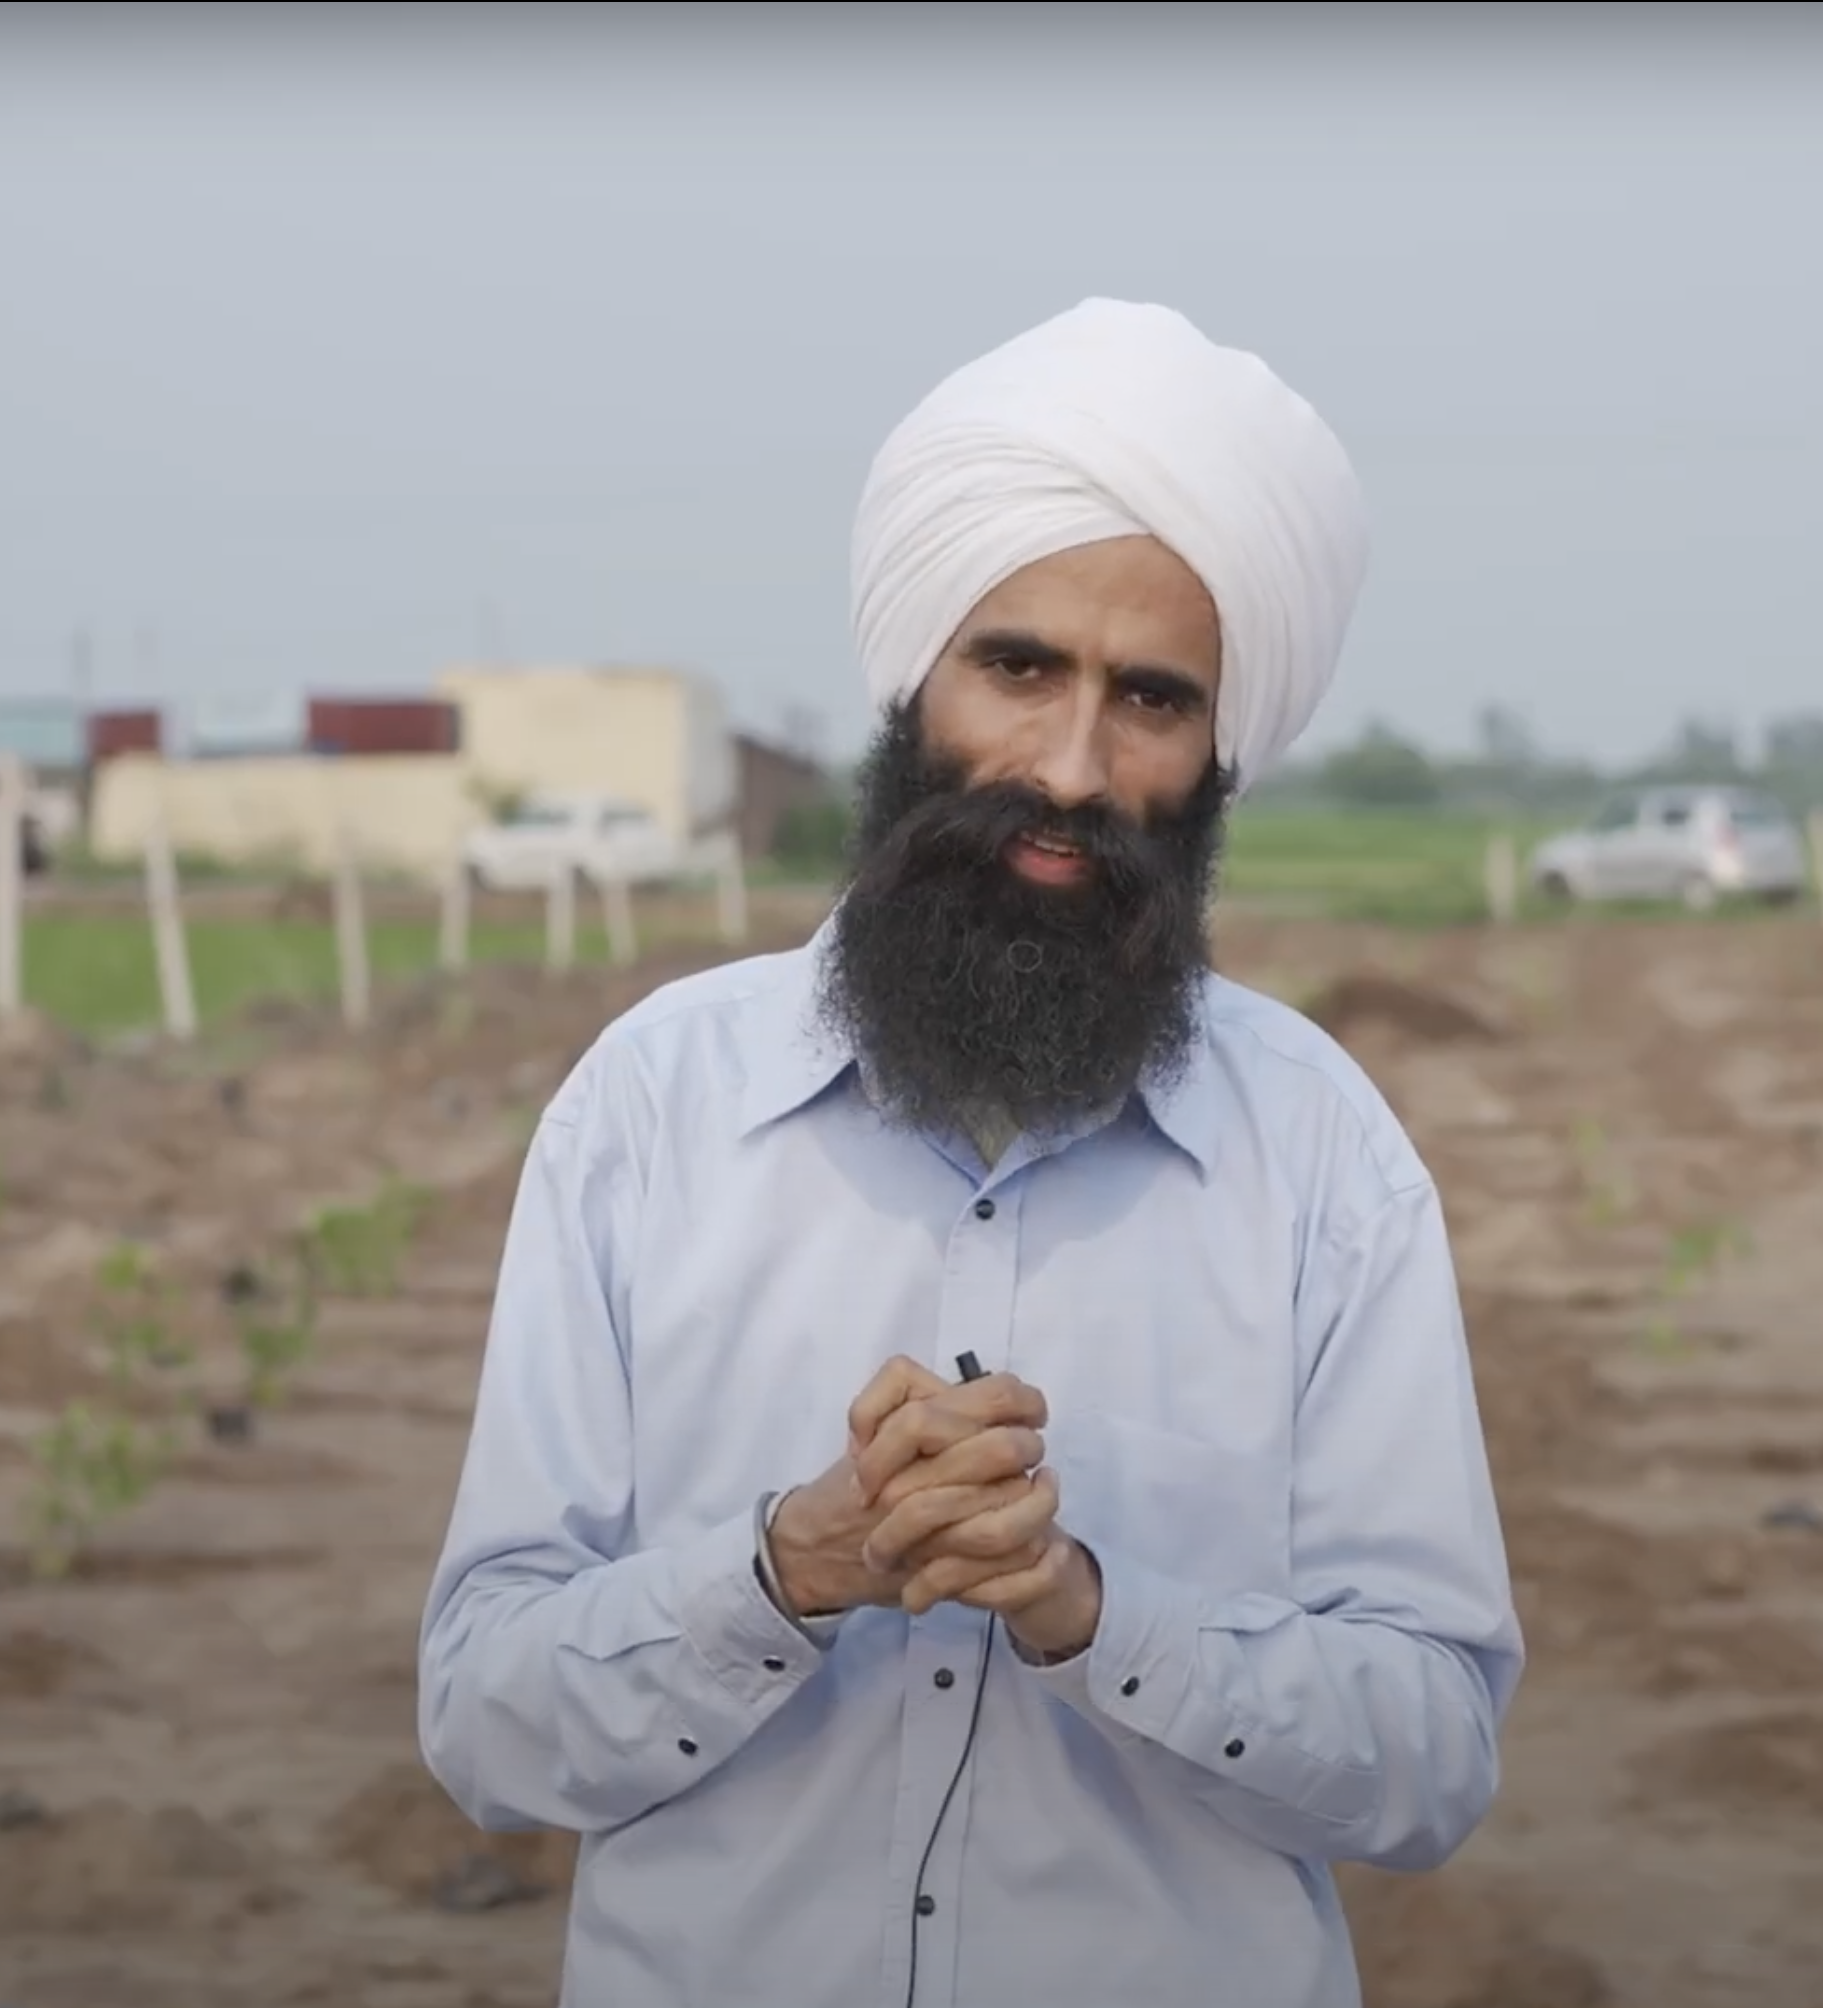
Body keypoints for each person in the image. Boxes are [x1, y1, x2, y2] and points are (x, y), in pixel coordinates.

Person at [416, 298, 1523, 2008]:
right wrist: (790, 1567)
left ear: (1215, 754)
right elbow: (486, 1719)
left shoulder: (1320, 1156)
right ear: (909, 681)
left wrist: (1091, 1611)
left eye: (1147, 698)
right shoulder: (647, 1108)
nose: (1068, 765)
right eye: (1016, 667)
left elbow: (1431, 1757)